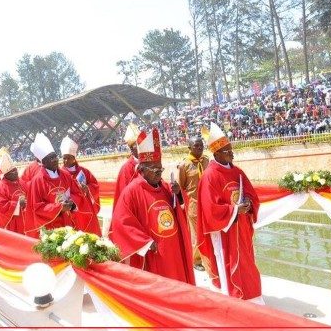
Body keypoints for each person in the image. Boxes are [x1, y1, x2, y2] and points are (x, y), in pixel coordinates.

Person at [109, 127, 195, 284]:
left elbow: (178, 209)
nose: (158, 173)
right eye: (154, 169)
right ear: (141, 169)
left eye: (160, 168)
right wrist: (145, 242)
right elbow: (121, 222)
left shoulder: (165, 186)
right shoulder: (132, 191)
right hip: (154, 252)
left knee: (178, 283)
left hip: (173, 247)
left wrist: (178, 194)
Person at [196, 122, 263, 303]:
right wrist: (234, 210)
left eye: (231, 149)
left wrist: (248, 203)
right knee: (228, 263)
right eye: (227, 151)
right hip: (225, 231)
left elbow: (251, 194)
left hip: (242, 228)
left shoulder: (237, 171)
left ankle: (251, 294)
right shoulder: (210, 175)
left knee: (247, 261)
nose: (232, 154)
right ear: (216, 153)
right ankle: (232, 297)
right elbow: (210, 209)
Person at [25, 132, 92, 238]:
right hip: (49, 227)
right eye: (51, 158)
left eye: (55, 156)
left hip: (68, 221)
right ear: (44, 162)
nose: (55, 159)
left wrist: (72, 203)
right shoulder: (37, 181)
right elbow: (36, 207)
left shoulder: (65, 175)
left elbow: (77, 193)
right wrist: (59, 207)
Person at [177, 135, 210, 272]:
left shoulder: (207, 161)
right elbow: (180, 186)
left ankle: (208, 257)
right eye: (196, 145)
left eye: (201, 145)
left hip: (208, 203)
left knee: (208, 232)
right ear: (189, 148)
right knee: (196, 234)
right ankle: (196, 260)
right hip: (194, 205)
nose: (199, 147)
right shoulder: (184, 165)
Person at [59, 136, 101, 235]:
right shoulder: (61, 174)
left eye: (68, 158)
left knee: (91, 233)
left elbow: (95, 185)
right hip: (71, 209)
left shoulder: (84, 171)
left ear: (74, 158)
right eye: (64, 158)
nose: (65, 161)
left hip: (86, 207)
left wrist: (88, 189)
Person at [0, 148, 27, 234]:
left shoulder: (20, 182)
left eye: (15, 170)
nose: (16, 173)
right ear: (6, 174)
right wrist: (18, 203)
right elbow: (1, 207)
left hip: (26, 219)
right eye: (13, 171)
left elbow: (29, 193)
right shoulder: (0, 188)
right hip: (13, 223)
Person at [113, 123, 141, 211]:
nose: (142, 148)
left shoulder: (150, 163)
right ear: (132, 149)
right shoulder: (126, 169)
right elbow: (124, 196)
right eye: (138, 145)